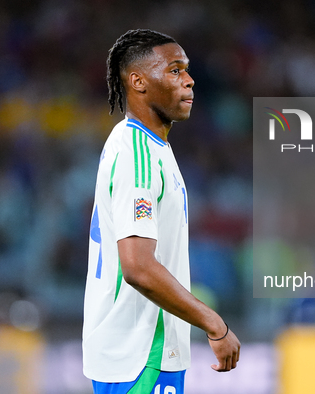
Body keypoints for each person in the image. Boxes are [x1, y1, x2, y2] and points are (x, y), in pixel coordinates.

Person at [82, 29, 240, 394]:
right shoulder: (136, 154)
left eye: (186, 70)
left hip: (146, 353)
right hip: (140, 353)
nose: (188, 80)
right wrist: (213, 323)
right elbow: (137, 266)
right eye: (174, 70)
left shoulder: (151, 147)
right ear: (138, 82)